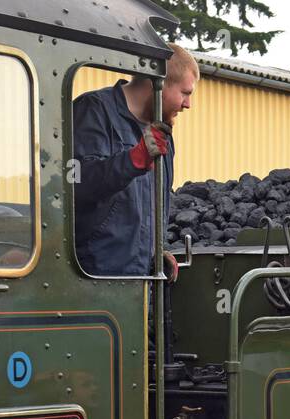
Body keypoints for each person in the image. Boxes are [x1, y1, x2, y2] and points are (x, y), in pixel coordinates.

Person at [72, 45, 199, 278]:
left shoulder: (162, 135)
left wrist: (155, 251)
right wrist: (135, 159)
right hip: (94, 279)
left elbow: (149, 206)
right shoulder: (94, 111)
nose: (187, 104)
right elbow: (77, 183)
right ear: (157, 84)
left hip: (143, 279)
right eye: (185, 93)